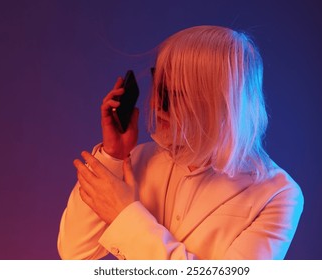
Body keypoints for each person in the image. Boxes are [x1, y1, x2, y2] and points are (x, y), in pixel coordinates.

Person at [57, 25, 304, 260]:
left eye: (175, 95)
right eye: (158, 87)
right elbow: (75, 252)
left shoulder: (278, 195)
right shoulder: (140, 159)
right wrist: (113, 156)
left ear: (222, 104)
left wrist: (125, 216)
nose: (156, 107)